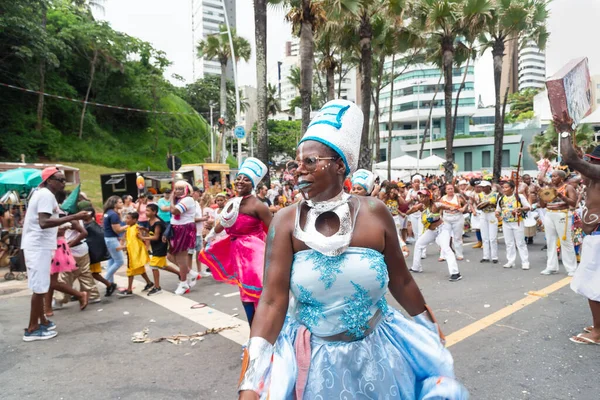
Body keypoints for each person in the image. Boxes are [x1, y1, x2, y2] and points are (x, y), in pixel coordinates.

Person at [237, 100, 467, 399]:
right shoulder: (284, 222)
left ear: (339, 165)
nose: (297, 171)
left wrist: (427, 326)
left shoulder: (375, 212)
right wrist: (253, 379)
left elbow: (401, 280)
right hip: (315, 363)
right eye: (297, 163)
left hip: (380, 354)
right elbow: (271, 302)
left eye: (310, 161)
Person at [199, 158, 273, 325]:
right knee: (245, 294)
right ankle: (254, 330)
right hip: (237, 251)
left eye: (246, 179)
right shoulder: (232, 202)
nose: (240, 181)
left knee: (258, 293)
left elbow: (274, 230)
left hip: (254, 254)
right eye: (239, 177)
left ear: (253, 184)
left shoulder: (258, 206)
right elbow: (223, 223)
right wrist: (210, 236)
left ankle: (265, 331)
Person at [20, 167, 89, 341]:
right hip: (37, 247)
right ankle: (32, 329)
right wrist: (71, 218)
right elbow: (43, 222)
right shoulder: (45, 195)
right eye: (60, 179)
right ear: (49, 180)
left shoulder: (45, 195)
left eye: (64, 179)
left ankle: (42, 321)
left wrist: (66, 223)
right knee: (39, 288)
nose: (63, 183)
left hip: (41, 246)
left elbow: (50, 219)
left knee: (43, 286)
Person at [560, 127, 600, 345]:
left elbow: (570, 159)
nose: (589, 164)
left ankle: (598, 333)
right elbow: (575, 167)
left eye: (592, 161)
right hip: (595, 236)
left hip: (599, 237)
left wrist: (564, 132)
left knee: (594, 285)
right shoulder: (592, 179)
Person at [52, 208, 101, 312]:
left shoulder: (72, 220)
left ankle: (59, 300)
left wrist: (69, 245)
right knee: (84, 273)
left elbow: (84, 233)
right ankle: (93, 295)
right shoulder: (73, 219)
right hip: (79, 249)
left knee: (65, 275)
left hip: (73, 250)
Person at [409, 189, 462, 281]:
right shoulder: (420, 206)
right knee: (419, 244)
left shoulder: (436, 205)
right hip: (431, 231)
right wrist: (403, 213)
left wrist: (452, 208)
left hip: (442, 229)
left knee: (446, 249)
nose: (422, 198)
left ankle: (455, 273)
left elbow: (446, 206)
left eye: (424, 196)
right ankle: (416, 267)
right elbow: (410, 211)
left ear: (429, 197)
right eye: (421, 196)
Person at [44, 220, 90, 316]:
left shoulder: (62, 217)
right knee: (50, 280)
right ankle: (47, 307)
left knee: (52, 281)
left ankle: (80, 295)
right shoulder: (54, 216)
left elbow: (61, 231)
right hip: (52, 247)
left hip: (56, 248)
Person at [538, 169, 578, 275]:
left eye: (555, 176)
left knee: (565, 241)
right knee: (550, 241)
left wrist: (560, 196)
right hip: (549, 214)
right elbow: (542, 205)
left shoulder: (568, 187)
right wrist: (541, 196)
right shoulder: (549, 188)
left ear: (562, 178)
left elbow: (573, 203)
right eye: (552, 176)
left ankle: (571, 268)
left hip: (562, 214)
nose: (553, 178)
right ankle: (551, 267)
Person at [139, 204, 180, 296]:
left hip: (161, 246)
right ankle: (179, 273)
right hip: (155, 246)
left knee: (154, 266)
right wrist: (144, 229)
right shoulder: (150, 221)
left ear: (154, 212)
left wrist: (143, 237)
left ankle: (157, 287)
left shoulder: (157, 222)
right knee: (162, 265)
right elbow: (151, 231)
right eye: (146, 210)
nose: (146, 212)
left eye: (148, 211)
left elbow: (156, 236)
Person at [169, 180, 201, 295]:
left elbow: (174, 210)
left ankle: (183, 284)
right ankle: (191, 273)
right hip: (176, 228)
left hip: (183, 229)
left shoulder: (187, 199)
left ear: (187, 190)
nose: (177, 191)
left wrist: (171, 199)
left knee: (181, 258)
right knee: (170, 256)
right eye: (176, 188)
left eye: (180, 189)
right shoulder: (180, 200)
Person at [117, 212, 153, 297]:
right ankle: (149, 282)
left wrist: (146, 246)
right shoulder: (129, 228)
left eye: (128, 218)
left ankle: (129, 290)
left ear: (134, 220)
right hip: (132, 253)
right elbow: (129, 241)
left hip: (135, 253)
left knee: (131, 271)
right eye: (126, 218)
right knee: (140, 269)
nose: (126, 220)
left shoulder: (136, 228)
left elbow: (143, 237)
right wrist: (124, 246)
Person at [495, 180, 530, 270]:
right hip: (506, 222)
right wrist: (497, 214)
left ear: (512, 188)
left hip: (517, 222)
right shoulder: (501, 198)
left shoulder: (519, 197)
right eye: (503, 187)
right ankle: (510, 261)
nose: (504, 189)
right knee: (509, 243)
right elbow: (498, 209)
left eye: (507, 187)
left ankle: (525, 262)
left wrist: (520, 209)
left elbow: (528, 207)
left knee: (520, 242)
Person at [79, 204, 113, 293]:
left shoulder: (91, 226)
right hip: (88, 252)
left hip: (92, 253)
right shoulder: (86, 225)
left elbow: (98, 239)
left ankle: (109, 284)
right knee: (84, 273)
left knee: (93, 273)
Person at [102, 195, 127, 293]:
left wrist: (120, 215)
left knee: (112, 261)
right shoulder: (113, 215)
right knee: (119, 261)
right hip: (112, 239)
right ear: (115, 204)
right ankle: (106, 280)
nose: (122, 203)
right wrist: (128, 226)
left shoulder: (109, 213)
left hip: (108, 238)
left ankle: (110, 282)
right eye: (120, 202)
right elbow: (117, 229)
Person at [439, 182, 467, 261]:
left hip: (457, 218)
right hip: (446, 219)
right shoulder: (443, 199)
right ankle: (443, 255)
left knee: (457, 237)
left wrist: (463, 209)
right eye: (448, 189)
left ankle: (459, 254)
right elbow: (440, 208)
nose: (450, 190)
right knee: (445, 237)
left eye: (451, 188)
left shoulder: (458, 196)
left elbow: (466, 203)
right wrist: (440, 217)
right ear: (445, 190)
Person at [476, 180, 499, 263]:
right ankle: (485, 256)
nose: (482, 188)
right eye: (481, 187)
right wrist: (488, 203)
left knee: (492, 237)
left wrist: (487, 204)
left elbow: (496, 205)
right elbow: (479, 206)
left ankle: (494, 257)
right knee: (484, 237)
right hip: (483, 215)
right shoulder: (480, 195)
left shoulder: (495, 194)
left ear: (489, 187)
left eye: (484, 186)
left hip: (492, 214)